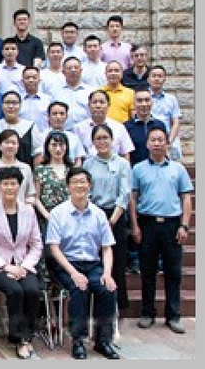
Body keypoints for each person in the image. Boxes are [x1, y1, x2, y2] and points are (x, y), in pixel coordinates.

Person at [46, 167, 119, 360]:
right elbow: (54, 248)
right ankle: (78, 340)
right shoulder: (58, 213)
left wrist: (107, 273)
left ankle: (103, 340)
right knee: (79, 289)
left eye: (83, 182)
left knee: (107, 288)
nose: (79, 185)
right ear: (68, 186)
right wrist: (73, 273)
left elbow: (107, 247)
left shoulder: (99, 214)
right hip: (66, 264)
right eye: (75, 182)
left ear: (89, 185)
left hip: (93, 264)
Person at [130, 126, 193, 335]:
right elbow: (133, 198)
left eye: (160, 139)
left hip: (172, 225)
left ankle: (173, 315)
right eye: (153, 140)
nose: (157, 143)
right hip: (147, 224)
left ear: (167, 143)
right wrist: (135, 226)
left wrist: (184, 225)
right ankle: (148, 313)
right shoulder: (138, 169)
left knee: (173, 272)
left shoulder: (178, 169)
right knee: (147, 271)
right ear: (147, 144)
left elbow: (186, 198)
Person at [0, 166, 43, 359]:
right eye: (5, 184)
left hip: (23, 264)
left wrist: (24, 266)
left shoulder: (29, 211)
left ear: (19, 186)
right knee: (15, 291)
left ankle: (28, 336)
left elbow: (36, 244)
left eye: (13, 184)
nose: (9, 188)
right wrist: (6, 266)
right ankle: (18, 339)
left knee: (32, 290)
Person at [83, 124, 132, 311]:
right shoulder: (88, 164)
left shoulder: (122, 164)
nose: (102, 141)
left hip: (115, 216)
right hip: (93, 216)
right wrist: (97, 216)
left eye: (105, 138)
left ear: (112, 140)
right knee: (95, 260)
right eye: (98, 138)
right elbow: (86, 191)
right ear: (93, 142)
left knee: (117, 261)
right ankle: (96, 305)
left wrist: (112, 219)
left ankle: (117, 305)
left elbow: (125, 193)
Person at [0, 90, 43, 166]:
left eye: (14, 103)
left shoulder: (30, 126)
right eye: (7, 103)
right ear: (1, 106)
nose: (10, 106)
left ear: (20, 105)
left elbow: (37, 153)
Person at [0, 129, 37, 204]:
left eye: (13, 143)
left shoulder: (26, 168)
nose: (10, 146)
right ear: (0, 145)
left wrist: (24, 208)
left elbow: (31, 194)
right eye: (7, 142)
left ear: (18, 146)